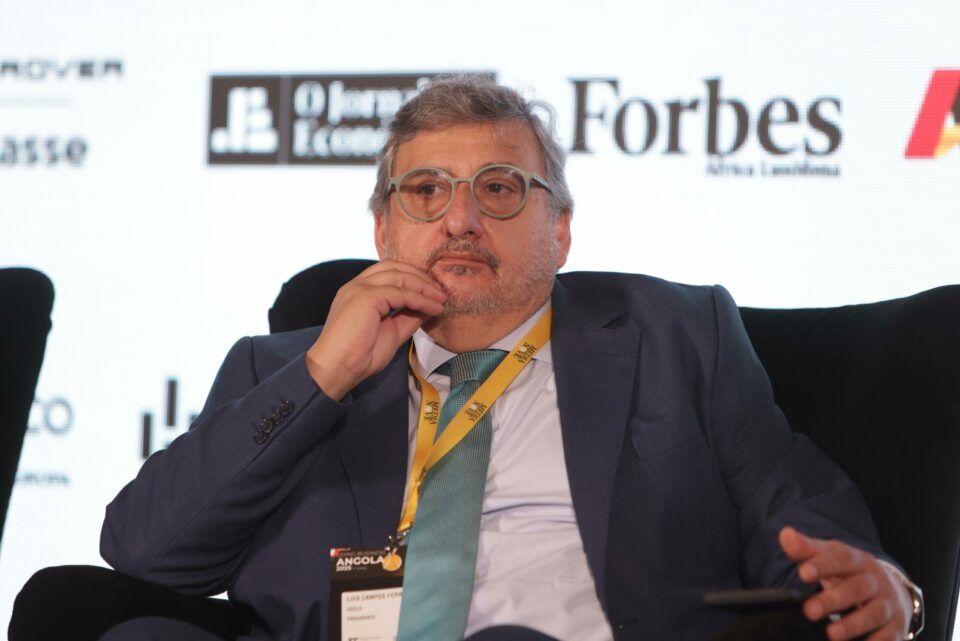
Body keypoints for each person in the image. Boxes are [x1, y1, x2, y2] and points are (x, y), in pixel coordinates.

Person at [100, 77, 921, 641]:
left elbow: (798, 512)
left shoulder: (676, 335)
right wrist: (324, 376)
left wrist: (892, 594)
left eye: (497, 189)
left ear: (559, 231)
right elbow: (146, 551)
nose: (459, 219)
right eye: (426, 191)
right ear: (383, 230)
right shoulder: (282, 370)